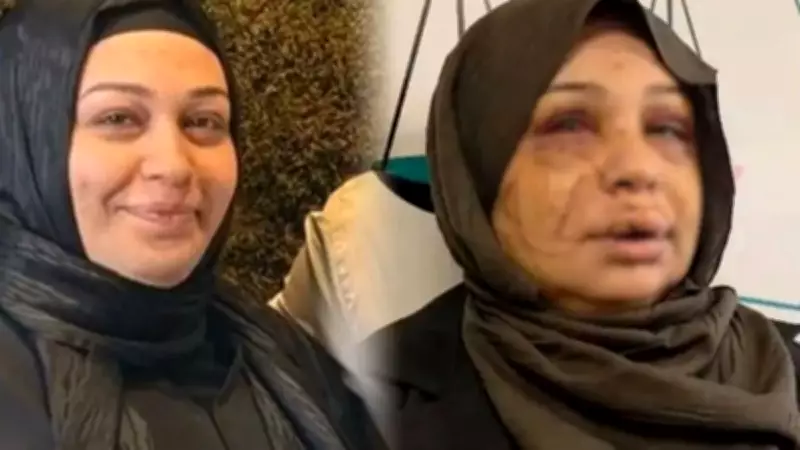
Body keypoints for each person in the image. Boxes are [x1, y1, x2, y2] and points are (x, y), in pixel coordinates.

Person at [363, 0, 800, 448]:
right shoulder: (366, 411)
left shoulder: (781, 368)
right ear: (476, 175)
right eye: (569, 124)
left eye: (667, 128)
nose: (637, 168)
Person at [0, 1, 383, 449]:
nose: (174, 165)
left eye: (202, 122)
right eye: (118, 118)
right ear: (25, 137)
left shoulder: (286, 358)